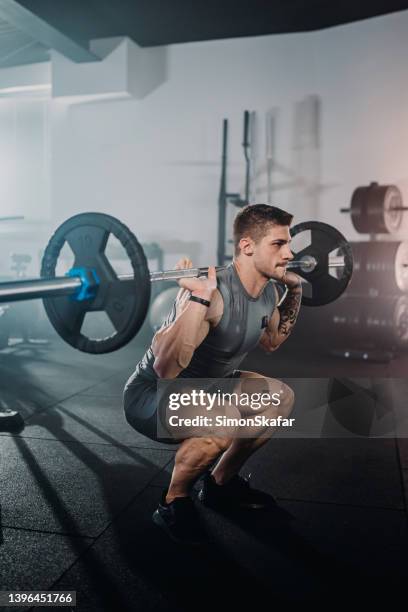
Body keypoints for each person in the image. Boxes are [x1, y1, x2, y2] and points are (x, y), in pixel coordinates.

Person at [123, 204, 302, 544]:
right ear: (248, 246)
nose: (289, 253)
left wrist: (295, 290)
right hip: (154, 393)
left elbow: (273, 340)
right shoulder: (213, 290)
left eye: (288, 243)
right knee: (224, 421)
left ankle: (220, 484)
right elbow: (165, 369)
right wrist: (198, 299)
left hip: (210, 386)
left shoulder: (268, 291)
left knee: (280, 398)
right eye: (279, 244)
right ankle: (172, 502)